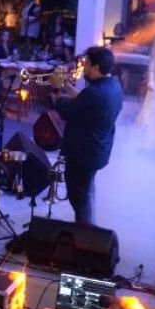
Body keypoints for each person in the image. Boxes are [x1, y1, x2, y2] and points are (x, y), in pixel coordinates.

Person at [55, 46, 123, 226]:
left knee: (79, 199)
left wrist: (56, 91)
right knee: (86, 191)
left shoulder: (94, 93)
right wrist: (65, 84)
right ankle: (87, 225)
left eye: (86, 64)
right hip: (97, 150)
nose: (83, 68)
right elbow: (84, 102)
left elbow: (67, 111)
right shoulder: (114, 86)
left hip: (83, 153)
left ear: (96, 67)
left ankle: (84, 232)